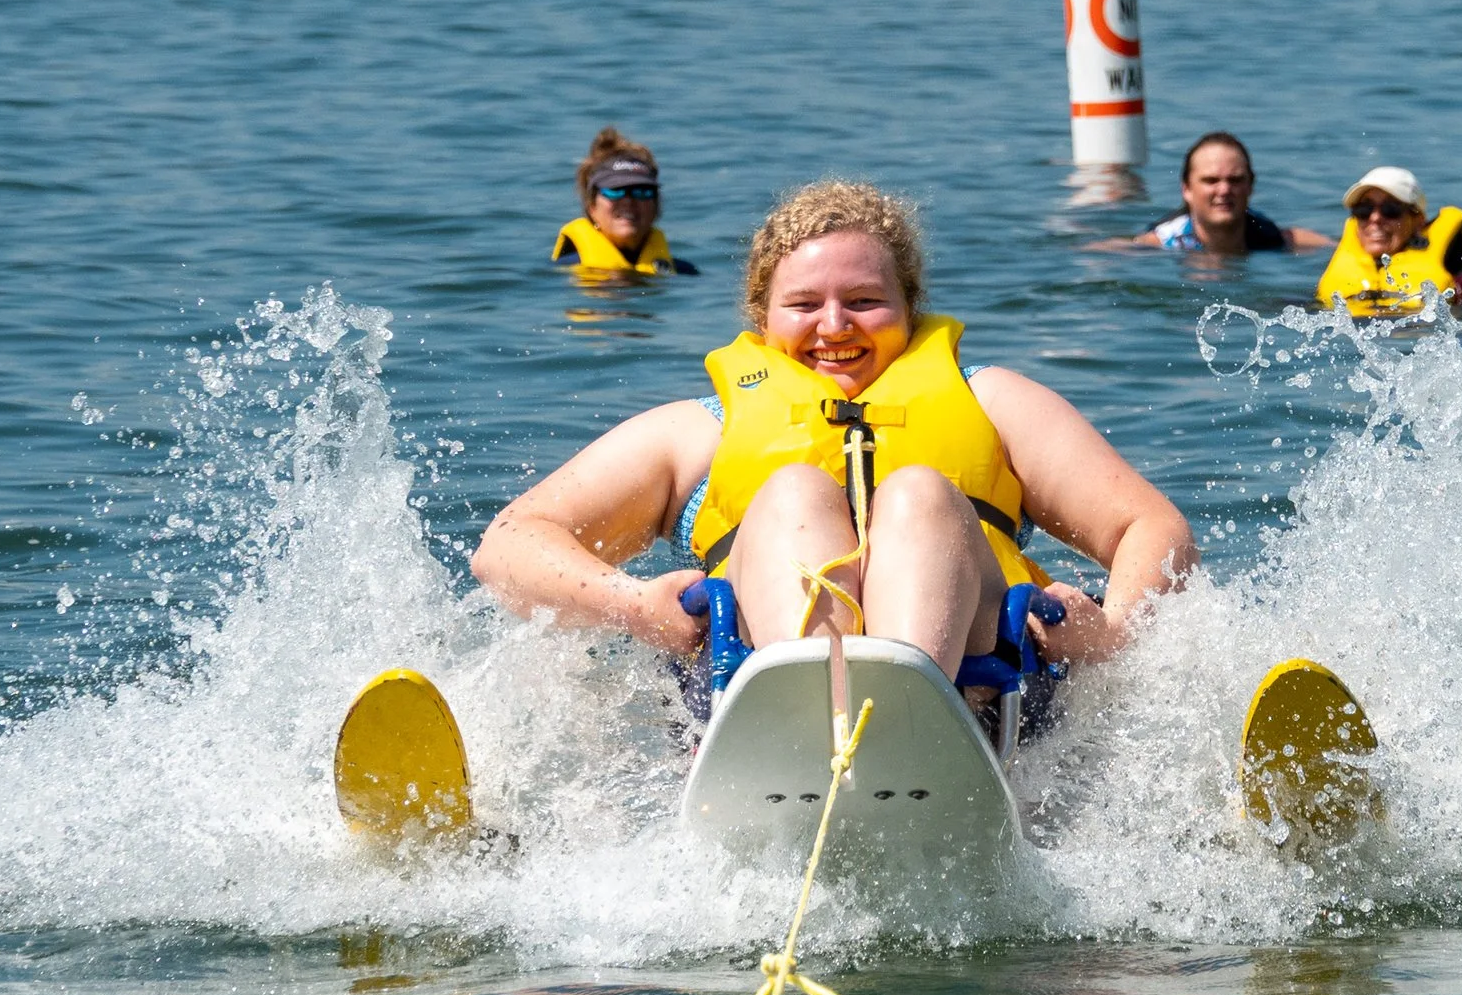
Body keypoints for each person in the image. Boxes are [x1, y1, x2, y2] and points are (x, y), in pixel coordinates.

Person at [477, 180, 1197, 679]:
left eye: (864, 300)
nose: (833, 327)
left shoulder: (995, 402)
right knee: (793, 492)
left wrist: (1114, 636)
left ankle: (909, 708)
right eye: (804, 304)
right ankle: (805, 707)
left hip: (981, 693)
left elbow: (1151, 527)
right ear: (763, 318)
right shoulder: (694, 433)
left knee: (919, 493)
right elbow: (509, 545)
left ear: (910, 308)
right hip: (756, 705)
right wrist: (634, 607)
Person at [1315, 167, 1462, 318]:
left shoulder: (1460, 284)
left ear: (1418, 220)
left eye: (1390, 210)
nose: (1375, 218)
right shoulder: (1338, 271)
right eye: (1364, 209)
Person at [1128, 133, 1326, 256]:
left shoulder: (1271, 237)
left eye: (1235, 180)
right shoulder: (1160, 244)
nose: (1224, 190)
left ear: (1250, 186)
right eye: (1211, 180)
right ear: (1186, 189)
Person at [552, 127, 696, 276]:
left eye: (641, 191)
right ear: (591, 205)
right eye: (615, 191)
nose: (628, 201)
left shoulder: (685, 275)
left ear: (656, 206)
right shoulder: (562, 276)